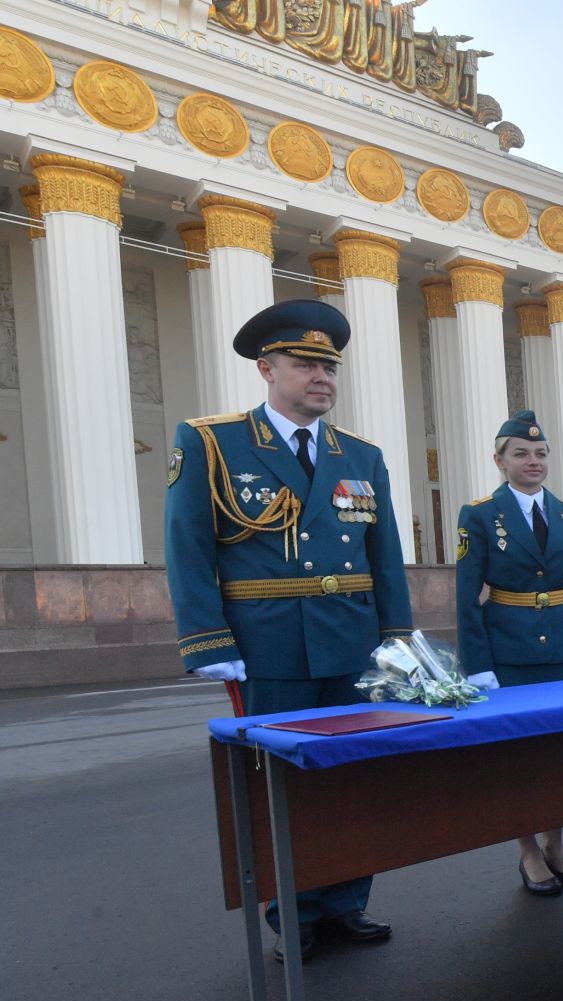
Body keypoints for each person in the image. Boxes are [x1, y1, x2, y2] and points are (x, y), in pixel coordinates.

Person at [164, 299, 413, 963]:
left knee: (353, 780)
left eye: (329, 365)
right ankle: (291, 912)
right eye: (306, 363)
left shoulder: (360, 455)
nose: (323, 376)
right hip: (267, 645)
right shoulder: (214, 442)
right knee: (280, 783)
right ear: (266, 368)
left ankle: (345, 904)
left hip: (354, 643)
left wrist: (397, 638)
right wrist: (207, 641)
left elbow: (384, 555)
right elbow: (188, 545)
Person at [455, 411, 563, 894]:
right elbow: (466, 596)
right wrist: (478, 667)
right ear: (500, 460)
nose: (532, 461)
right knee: (518, 756)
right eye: (520, 453)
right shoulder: (479, 514)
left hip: (560, 649)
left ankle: (556, 843)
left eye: (540, 453)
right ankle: (527, 851)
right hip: (508, 651)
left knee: (559, 753)